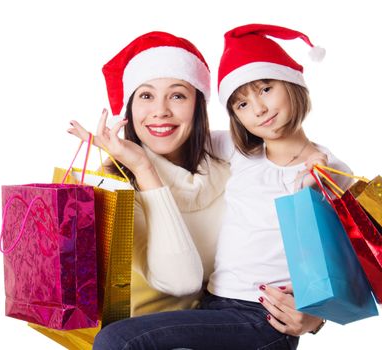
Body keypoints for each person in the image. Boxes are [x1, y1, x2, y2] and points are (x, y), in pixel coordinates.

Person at [89, 24, 352, 350]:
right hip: (212, 306)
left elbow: (353, 258)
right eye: (241, 104)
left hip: (260, 314)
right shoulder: (241, 154)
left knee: (119, 341)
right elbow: (164, 135)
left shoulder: (324, 171)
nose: (258, 109)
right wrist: (113, 150)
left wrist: (317, 314)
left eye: (266, 88)